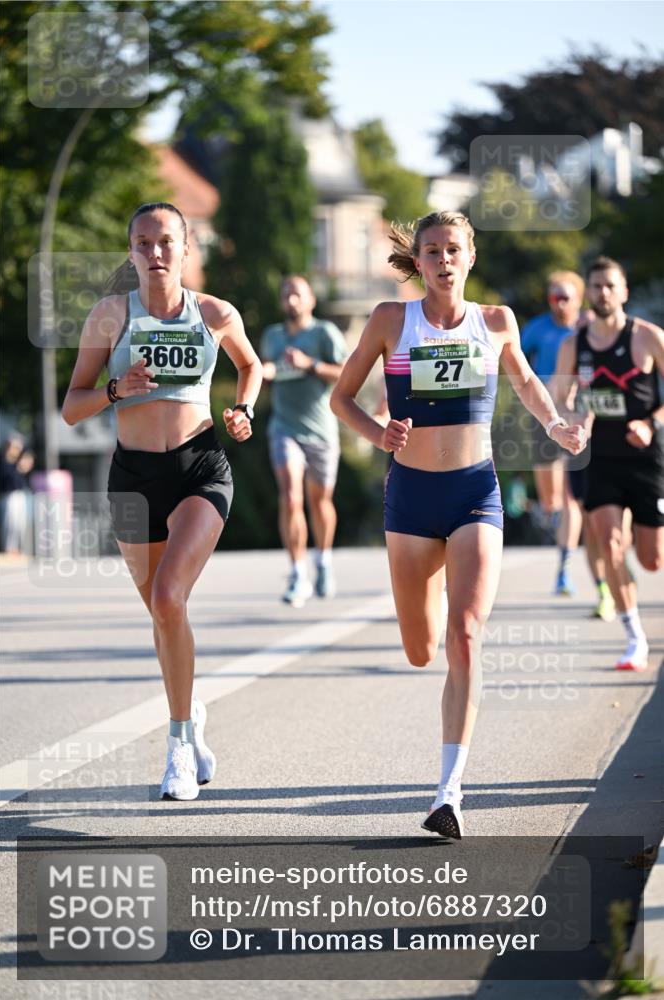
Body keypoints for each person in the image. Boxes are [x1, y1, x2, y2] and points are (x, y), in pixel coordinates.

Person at [330, 210, 586, 839]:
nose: (444, 260)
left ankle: (449, 792)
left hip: (475, 492)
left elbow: (526, 382)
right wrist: (378, 432)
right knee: (422, 650)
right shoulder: (392, 320)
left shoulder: (495, 322)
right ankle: (432, 602)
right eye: (433, 250)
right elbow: (342, 398)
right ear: (417, 261)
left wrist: (556, 426)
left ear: (471, 258)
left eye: (454, 249)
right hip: (411, 499)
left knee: (466, 634)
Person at [62, 202, 262, 800]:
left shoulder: (215, 312)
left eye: (166, 241)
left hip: (200, 466)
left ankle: (176, 745)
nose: (155, 253)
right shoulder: (109, 316)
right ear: (130, 252)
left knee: (171, 595)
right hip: (130, 476)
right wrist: (117, 389)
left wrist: (243, 408)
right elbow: (72, 407)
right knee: (162, 611)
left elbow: (252, 366)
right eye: (143, 243)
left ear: (186, 246)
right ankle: (190, 715)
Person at [554, 255, 664, 671]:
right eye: (595, 285)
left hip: (645, 457)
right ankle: (635, 638)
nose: (602, 293)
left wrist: (651, 423)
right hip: (598, 457)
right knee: (609, 544)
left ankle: (638, 547)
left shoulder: (648, 337)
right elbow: (560, 399)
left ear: (624, 292)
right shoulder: (573, 345)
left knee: (653, 560)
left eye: (609, 286)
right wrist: (575, 419)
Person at [260, 275, 348, 607]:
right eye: (286, 294)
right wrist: (266, 374)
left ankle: (322, 560)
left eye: (297, 294)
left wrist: (310, 365)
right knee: (291, 494)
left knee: (320, 501)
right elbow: (266, 371)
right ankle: (297, 573)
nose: (291, 300)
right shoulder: (272, 336)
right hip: (284, 428)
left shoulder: (324, 333)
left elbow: (346, 373)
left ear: (311, 299)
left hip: (322, 429)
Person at [520, 271, 585, 593]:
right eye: (553, 297)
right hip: (543, 418)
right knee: (551, 499)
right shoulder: (538, 328)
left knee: (571, 494)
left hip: (578, 417)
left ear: (579, 300)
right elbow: (513, 361)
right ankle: (552, 516)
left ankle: (564, 566)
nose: (558, 304)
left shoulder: (587, 328)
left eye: (565, 297)